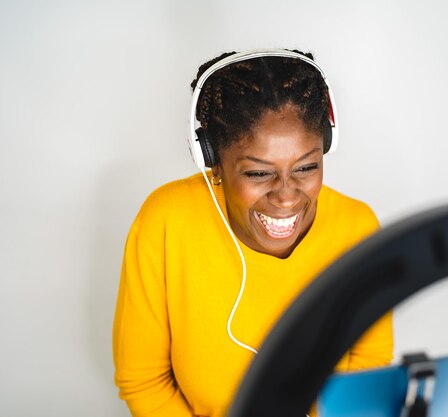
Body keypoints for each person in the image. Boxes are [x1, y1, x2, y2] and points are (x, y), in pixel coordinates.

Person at [112, 49, 393, 417]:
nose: (287, 195)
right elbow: (144, 381)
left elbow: (368, 365)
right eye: (259, 173)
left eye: (306, 167)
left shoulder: (357, 228)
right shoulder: (165, 221)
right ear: (211, 161)